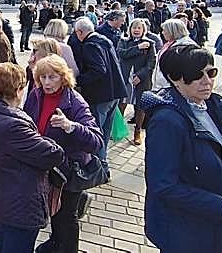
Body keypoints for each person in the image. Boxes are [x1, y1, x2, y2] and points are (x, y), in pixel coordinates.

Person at [138, 45, 222, 253]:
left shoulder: (211, 106)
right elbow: (163, 185)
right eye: (195, 75)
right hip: (183, 230)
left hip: (211, 223)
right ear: (174, 78)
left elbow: (217, 160)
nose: (206, 81)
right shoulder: (167, 121)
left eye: (211, 72)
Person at [0, 62, 64, 253]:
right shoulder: (13, 125)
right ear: (18, 90)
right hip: (21, 205)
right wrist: (50, 138)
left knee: (2, 243)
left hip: (2, 198)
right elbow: (53, 155)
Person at [24, 55, 103, 253]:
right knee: (54, 212)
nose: (46, 82)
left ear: (63, 77)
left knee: (66, 217)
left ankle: (67, 248)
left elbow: (96, 141)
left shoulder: (75, 102)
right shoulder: (36, 95)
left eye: (52, 77)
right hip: (46, 168)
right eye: (43, 77)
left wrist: (71, 127)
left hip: (68, 172)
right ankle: (55, 242)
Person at [72, 17, 126, 176]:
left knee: (97, 132)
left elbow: (99, 69)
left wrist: (78, 80)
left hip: (100, 95)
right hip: (114, 93)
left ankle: (100, 168)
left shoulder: (90, 45)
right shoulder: (104, 40)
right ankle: (103, 164)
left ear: (80, 32)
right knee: (105, 131)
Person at [116, 18, 155, 145]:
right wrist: (138, 47)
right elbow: (122, 54)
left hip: (141, 80)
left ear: (143, 30)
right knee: (122, 103)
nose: (136, 30)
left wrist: (140, 75)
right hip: (126, 78)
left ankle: (137, 132)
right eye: (134, 27)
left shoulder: (150, 44)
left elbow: (151, 63)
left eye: (139, 28)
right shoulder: (124, 41)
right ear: (130, 29)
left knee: (140, 106)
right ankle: (118, 129)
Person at [152, 19, 196, 91]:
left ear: (172, 31)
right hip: (163, 85)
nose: (162, 33)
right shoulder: (170, 43)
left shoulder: (185, 46)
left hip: (174, 87)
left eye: (164, 30)